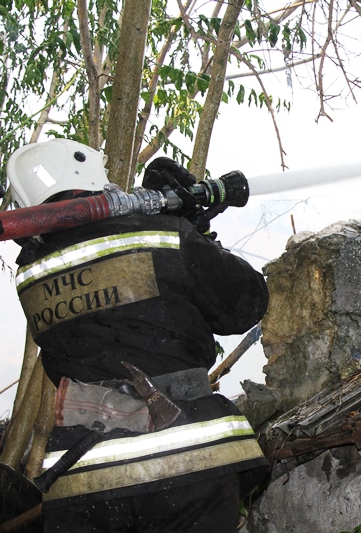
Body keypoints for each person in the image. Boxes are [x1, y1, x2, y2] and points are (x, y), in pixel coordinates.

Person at [6, 138, 270, 532]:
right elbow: (245, 304)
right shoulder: (162, 235)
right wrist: (193, 228)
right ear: (94, 176)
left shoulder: (31, 274)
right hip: (190, 458)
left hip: (85, 475)